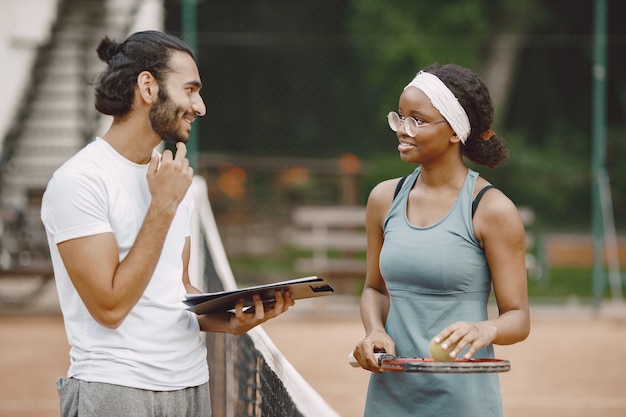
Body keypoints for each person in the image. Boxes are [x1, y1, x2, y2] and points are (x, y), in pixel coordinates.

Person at [40, 30, 294, 417]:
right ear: (147, 86)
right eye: (190, 90)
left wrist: (230, 318)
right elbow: (110, 307)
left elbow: (176, 289)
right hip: (117, 391)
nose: (200, 106)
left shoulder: (172, 179)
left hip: (192, 385)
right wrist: (162, 206)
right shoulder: (79, 181)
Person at [352, 64, 530, 417]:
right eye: (400, 117)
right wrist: (374, 331)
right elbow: (375, 288)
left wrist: (484, 329)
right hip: (390, 394)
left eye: (417, 120)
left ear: (454, 132)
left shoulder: (492, 209)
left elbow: (518, 317)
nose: (403, 130)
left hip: (464, 400)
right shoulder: (383, 199)